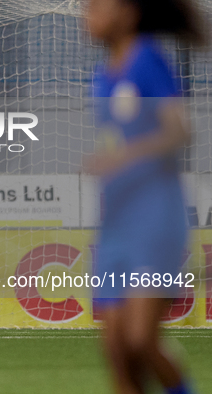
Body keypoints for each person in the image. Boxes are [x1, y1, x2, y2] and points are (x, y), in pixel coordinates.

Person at [85, 0, 205, 393]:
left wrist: (121, 158)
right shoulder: (104, 73)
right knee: (117, 351)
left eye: (98, 6)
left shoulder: (147, 60)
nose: (89, 14)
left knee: (141, 341)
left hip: (155, 217)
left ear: (128, 13)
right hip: (115, 222)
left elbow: (178, 131)